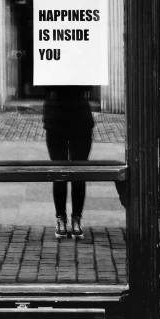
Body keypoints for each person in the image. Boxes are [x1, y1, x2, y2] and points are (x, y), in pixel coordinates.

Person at [43, 85, 94, 240]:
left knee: (78, 172)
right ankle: (61, 218)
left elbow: (89, 85)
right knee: (59, 171)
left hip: (79, 116)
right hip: (56, 116)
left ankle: (75, 218)